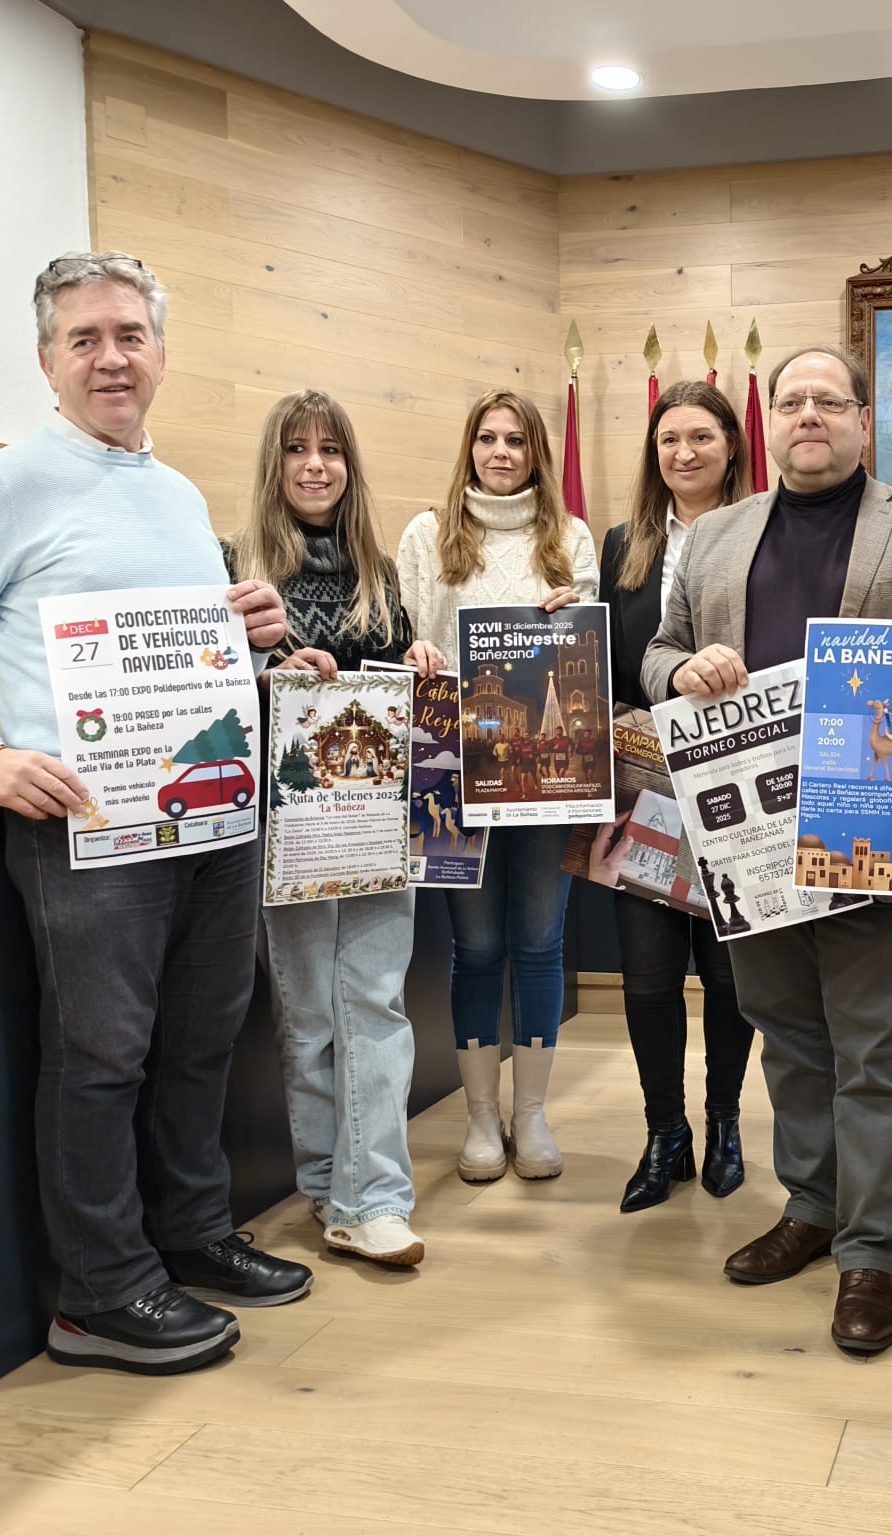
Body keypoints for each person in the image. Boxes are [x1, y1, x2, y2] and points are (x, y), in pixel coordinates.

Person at [0, 251, 312, 1375]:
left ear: (160, 351)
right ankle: (99, 1293)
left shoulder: (174, 491)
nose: (111, 357)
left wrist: (237, 621)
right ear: (50, 361)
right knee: (102, 1054)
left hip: (208, 819)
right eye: (85, 339)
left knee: (202, 1040)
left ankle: (191, 1233)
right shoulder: (3, 484)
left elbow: (162, 647)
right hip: (88, 829)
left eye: (129, 335)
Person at [642, 344, 892, 1356]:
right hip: (751, 834)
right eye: (791, 400)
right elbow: (657, 651)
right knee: (788, 1035)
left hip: (875, 822)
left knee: (873, 1048)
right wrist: (682, 673)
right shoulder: (713, 535)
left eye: (827, 401)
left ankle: (871, 1253)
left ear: (859, 418)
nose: (809, 415)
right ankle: (810, 1207)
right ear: (773, 420)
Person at [225, 389, 439, 1269]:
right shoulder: (233, 566)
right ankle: (326, 1187)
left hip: (379, 824)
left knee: (375, 1007)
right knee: (309, 1018)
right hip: (287, 832)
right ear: (273, 467)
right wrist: (266, 679)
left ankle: (374, 1197)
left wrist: (421, 660)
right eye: (296, 450)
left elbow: (398, 697)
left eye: (331, 450)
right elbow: (202, 705)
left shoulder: (383, 577)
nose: (315, 466)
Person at [398, 388, 597, 1184]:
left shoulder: (569, 538)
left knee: (541, 942)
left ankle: (533, 1116)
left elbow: (590, 646)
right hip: (452, 764)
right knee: (476, 946)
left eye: (517, 440)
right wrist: (415, 650)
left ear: (536, 453)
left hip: (547, 771)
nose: (502, 452)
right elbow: (404, 631)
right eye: (487, 438)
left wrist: (574, 615)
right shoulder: (426, 534)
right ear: (469, 447)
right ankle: (481, 1120)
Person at [598, 380, 758, 1213]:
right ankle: (666, 1133)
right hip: (641, 788)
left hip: (737, 784)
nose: (684, 454)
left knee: (732, 979)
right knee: (647, 978)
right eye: (668, 441)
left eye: (700, 438)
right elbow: (606, 660)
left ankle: (725, 1120)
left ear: (731, 445)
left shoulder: (764, 531)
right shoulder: (624, 543)